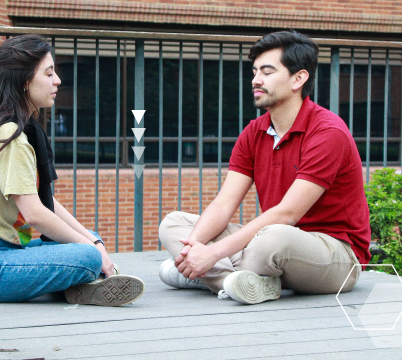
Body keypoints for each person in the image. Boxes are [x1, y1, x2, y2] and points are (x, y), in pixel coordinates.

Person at [0, 35, 144, 306]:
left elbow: (45, 202)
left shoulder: (9, 126)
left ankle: (79, 284)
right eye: (49, 73)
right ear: (24, 81)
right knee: (85, 256)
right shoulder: (9, 135)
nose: (58, 81)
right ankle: (83, 279)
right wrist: (92, 250)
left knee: (90, 239)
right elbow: (35, 214)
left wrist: (92, 241)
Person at [158, 30, 371, 304]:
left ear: (299, 78)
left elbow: (287, 214)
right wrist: (194, 248)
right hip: (269, 243)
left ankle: (204, 275)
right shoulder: (254, 132)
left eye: (267, 72)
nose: (256, 80)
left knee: (272, 239)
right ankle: (230, 282)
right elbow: (224, 204)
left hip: (334, 255)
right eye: (255, 71)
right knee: (174, 223)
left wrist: (211, 254)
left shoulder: (328, 132)